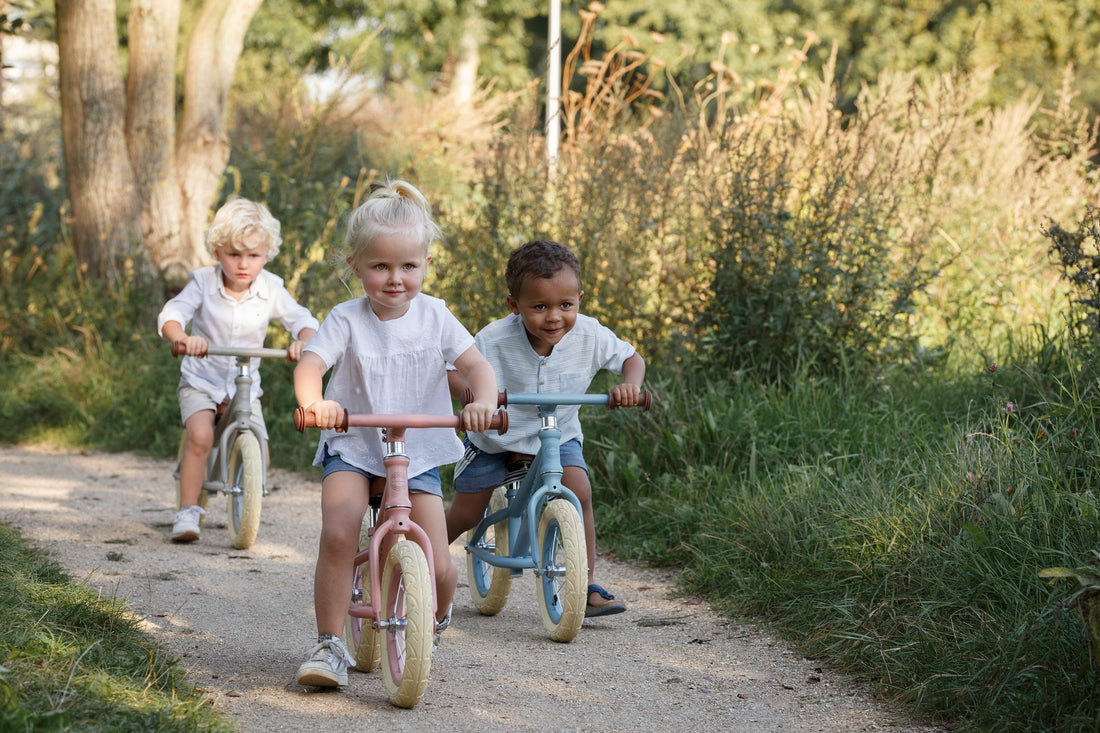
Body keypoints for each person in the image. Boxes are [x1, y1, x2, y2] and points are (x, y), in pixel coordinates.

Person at [293, 179, 498, 687]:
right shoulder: (346, 318)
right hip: (355, 445)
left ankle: (433, 615)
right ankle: (329, 645)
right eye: (380, 266)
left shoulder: (437, 316)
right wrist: (313, 402)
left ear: (426, 264)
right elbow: (311, 363)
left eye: (408, 266)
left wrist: (485, 401)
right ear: (355, 266)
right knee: (340, 532)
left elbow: (477, 366)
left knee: (440, 565)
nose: (394, 279)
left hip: (418, 451)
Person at [445, 239, 646, 618]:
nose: (554, 317)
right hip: (495, 438)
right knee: (467, 513)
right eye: (539, 307)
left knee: (580, 490)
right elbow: (457, 372)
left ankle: (585, 586)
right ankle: (422, 564)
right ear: (514, 306)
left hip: (557, 435)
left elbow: (631, 358)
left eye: (565, 305)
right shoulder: (494, 338)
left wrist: (629, 385)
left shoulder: (590, 334)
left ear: (580, 299)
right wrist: (473, 401)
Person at [158, 198, 319, 543]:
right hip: (201, 381)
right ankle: (187, 511)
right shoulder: (203, 282)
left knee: (259, 445)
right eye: (233, 255)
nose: (243, 264)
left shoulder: (271, 288)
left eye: (253, 256)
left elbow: (303, 320)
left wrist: (303, 342)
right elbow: (173, 313)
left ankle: (248, 501)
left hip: (244, 386)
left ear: (266, 255)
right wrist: (183, 337)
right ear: (217, 252)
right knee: (200, 438)